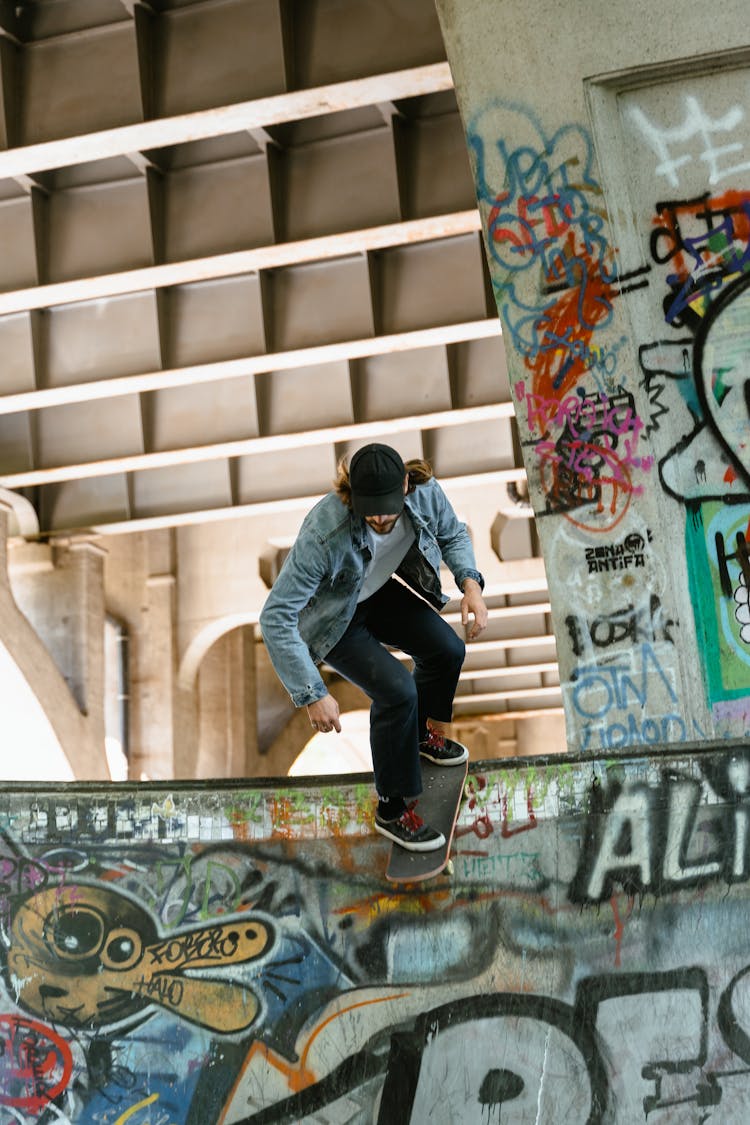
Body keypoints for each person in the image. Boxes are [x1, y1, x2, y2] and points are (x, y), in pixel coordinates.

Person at [260, 443, 488, 851]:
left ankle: (418, 737)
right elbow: (275, 616)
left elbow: (453, 532)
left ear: (405, 484)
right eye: (370, 511)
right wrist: (312, 693)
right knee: (398, 691)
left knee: (447, 650)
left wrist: (471, 585)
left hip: (375, 594)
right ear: (351, 497)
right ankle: (393, 809)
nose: (381, 518)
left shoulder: (424, 491)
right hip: (332, 622)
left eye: (388, 507)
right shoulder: (324, 531)